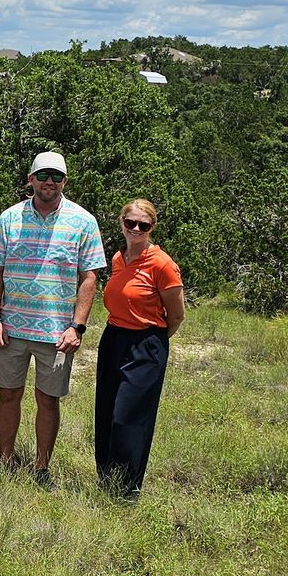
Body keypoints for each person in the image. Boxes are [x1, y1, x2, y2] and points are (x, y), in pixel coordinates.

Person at [0, 151, 105, 489]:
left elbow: (89, 278)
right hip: (11, 328)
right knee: (8, 395)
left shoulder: (83, 221)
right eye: (43, 175)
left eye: (57, 176)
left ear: (65, 181)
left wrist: (76, 327)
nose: (49, 182)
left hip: (57, 333)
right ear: (31, 179)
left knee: (47, 400)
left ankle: (41, 468)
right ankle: (5, 462)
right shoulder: (10, 218)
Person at [95, 198, 185, 498]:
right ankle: (106, 480)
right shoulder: (119, 258)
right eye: (130, 223)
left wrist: (154, 342)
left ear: (152, 227)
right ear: (121, 223)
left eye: (143, 225)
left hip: (146, 343)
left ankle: (126, 489)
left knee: (128, 417)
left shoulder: (162, 264)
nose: (136, 229)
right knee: (106, 412)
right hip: (113, 338)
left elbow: (176, 315)